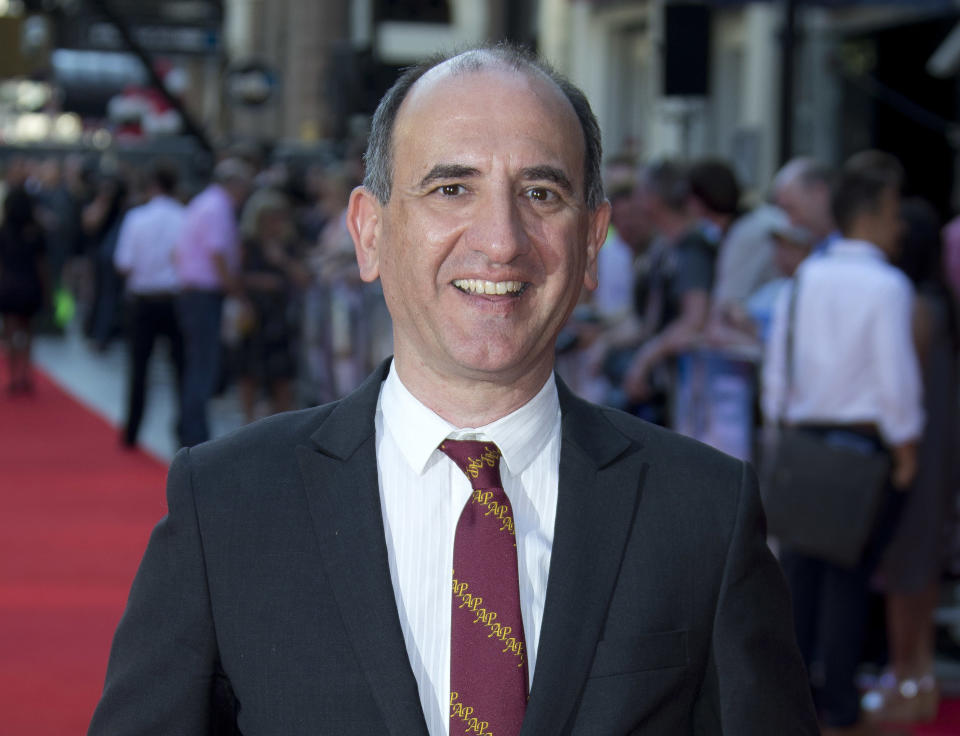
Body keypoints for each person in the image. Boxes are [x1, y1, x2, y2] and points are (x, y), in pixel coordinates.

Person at [89, 44, 817, 735]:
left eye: (540, 191)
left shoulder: (704, 514)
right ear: (370, 233)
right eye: (451, 187)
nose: (500, 239)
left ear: (592, 242)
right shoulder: (226, 506)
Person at [762, 150, 924, 736]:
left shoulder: (808, 276)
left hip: (804, 440)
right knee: (848, 582)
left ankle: (793, 701)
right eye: (895, 211)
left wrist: (781, 429)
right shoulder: (887, 285)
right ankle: (841, 708)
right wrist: (907, 449)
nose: (900, 225)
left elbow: (777, 365)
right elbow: (895, 376)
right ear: (878, 210)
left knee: (800, 580)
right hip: (859, 448)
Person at [861, 197, 958, 724]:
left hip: (915, 453)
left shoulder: (913, 305)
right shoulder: (937, 302)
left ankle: (906, 677)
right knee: (920, 569)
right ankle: (916, 673)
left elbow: (898, 385)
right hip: (938, 450)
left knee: (905, 567)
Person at [173, 157, 252, 447]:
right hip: (205, 295)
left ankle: (188, 425)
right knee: (203, 364)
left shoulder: (202, 203)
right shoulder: (218, 207)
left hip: (193, 292)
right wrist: (234, 289)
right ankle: (195, 432)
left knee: (197, 362)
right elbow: (217, 253)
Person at [112, 159, 186, 448]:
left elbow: (123, 263)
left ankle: (132, 431)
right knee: (180, 368)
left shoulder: (136, 218)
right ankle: (183, 432)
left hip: (143, 301)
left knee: (138, 369)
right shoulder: (184, 216)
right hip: (174, 299)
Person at [235, 187, 310, 422]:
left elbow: (304, 278)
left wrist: (282, 261)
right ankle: (247, 421)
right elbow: (236, 276)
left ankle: (282, 422)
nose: (274, 223)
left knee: (282, 376)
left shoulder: (289, 245)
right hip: (254, 315)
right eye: (268, 218)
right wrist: (260, 283)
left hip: (281, 318)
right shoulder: (248, 244)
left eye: (278, 217)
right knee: (248, 372)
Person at [0, 187, 47, 393]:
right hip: (30, 286)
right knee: (28, 332)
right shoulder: (35, 233)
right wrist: (47, 291)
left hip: (9, 287)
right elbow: (42, 265)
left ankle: (13, 376)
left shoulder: (3, 232)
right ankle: (25, 374)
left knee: (10, 332)